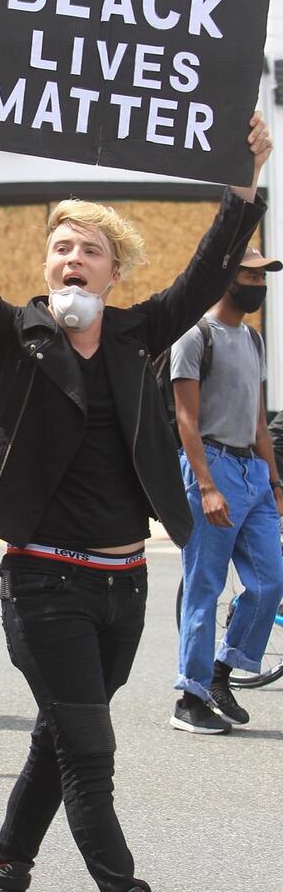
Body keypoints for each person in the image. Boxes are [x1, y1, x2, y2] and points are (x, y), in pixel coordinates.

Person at [0, 82, 271, 892]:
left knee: (61, 737)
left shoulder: (135, 335)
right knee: (90, 752)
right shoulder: (13, 338)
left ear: (112, 271)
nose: (72, 258)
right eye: (60, 247)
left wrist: (243, 188)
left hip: (124, 587)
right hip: (43, 585)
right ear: (47, 269)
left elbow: (204, 279)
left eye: (88, 249)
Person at [171, 245, 283, 732]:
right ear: (225, 278)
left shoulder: (254, 340)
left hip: (253, 473)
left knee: (270, 581)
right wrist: (206, 485)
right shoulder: (195, 336)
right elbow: (185, 418)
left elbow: (259, 420)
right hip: (211, 465)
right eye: (249, 276)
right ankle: (188, 700)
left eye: (263, 278)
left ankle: (218, 672)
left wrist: (274, 481)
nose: (258, 286)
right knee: (205, 588)